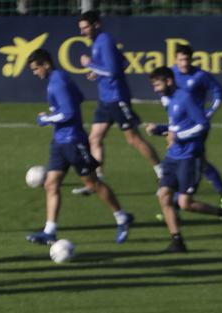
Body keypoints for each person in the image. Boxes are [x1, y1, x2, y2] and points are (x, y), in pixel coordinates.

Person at [25, 48, 133, 246]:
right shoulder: (61, 79)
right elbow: (80, 97)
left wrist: (46, 119)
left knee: (93, 183)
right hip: (59, 142)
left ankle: (122, 218)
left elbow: (68, 114)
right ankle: (50, 231)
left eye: (35, 69)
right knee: (51, 184)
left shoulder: (58, 83)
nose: (35, 73)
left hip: (74, 142)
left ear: (46, 64)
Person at [145, 67, 222, 253]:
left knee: (185, 204)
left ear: (169, 81)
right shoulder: (170, 100)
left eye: (157, 84)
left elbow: (202, 125)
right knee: (164, 196)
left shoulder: (185, 98)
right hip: (172, 157)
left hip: (189, 158)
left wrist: (179, 136)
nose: (155, 89)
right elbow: (175, 127)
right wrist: (158, 129)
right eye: (153, 85)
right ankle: (177, 240)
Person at [73, 10, 161, 196]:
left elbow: (113, 72)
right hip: (105, 100)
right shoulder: (99, 42)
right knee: (94, 138)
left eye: (85, 27)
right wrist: (97, 72)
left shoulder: (104, 41)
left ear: (97, 24)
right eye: (80, 29)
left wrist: (90, 64)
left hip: (117, 98)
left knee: (133, 139)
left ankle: (163, 173)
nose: (82, 32)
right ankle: (97, 182)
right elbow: (124, 63)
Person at [171, 44, 222, 209]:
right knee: (197, 161)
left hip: (196, 127)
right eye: (181, 59)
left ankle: (176, 204)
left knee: (190, 161)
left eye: (186, 59)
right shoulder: (171, 74)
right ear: (176, 60)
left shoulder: (200, 75)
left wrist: (209, 112)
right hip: (180, 126)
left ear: (191, 59)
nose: (184, 63)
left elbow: (218, 91)